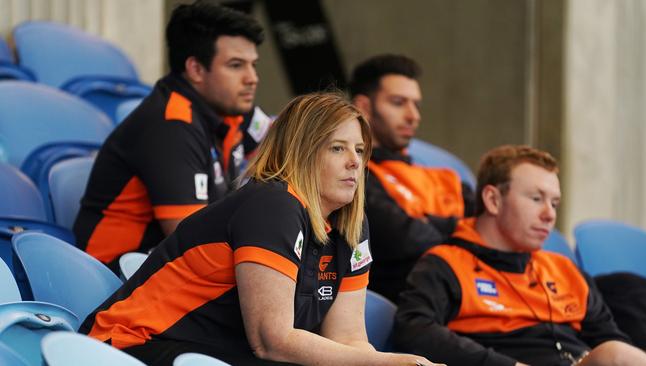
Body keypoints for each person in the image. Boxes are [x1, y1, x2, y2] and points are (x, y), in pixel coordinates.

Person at [79, 93, 440, 366]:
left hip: (215, 354)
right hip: (134, 345)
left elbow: (348, 339)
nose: (354, 162)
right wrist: (389, 361)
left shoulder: (350, 222)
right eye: (337, 148)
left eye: (360, 150)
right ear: (301, 152)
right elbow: (272, 340)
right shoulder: (273, 204)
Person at [393, 144, 646, 366]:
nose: (549, 214)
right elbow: (414, 331)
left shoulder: (564, 269)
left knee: (617, 351)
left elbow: (608, 338)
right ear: (493, 200)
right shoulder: (445, 264)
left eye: (554, 203)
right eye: (537, 198)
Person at [74, 1, 271, 271]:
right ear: (196, 69)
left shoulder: (231, 109)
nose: (253, 78)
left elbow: (291, 146)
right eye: (236, 65)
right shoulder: (170, 126)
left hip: (166, 266)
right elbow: (193, 242)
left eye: (253, 65)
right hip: (115, 276)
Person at [349, 54, 474, 302]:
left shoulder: (446, 177)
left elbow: (492, 234)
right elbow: (402, 240)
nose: (413, 116)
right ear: (364, 106)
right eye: (398, 102)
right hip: (407, 304)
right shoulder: (353, 173)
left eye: (416, 105)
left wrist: (429, 225)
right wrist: (457, 227)